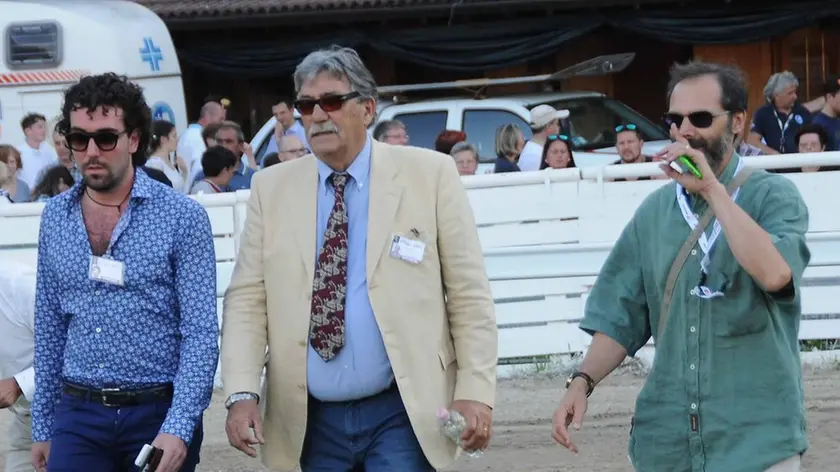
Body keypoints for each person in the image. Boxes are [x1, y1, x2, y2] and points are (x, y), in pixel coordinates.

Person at [221, 45, 498, 472]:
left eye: (332, 101)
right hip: (310, 420)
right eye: (307, 105)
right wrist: (241, 395)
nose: (317, 115)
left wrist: (475, 390)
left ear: (368, 109)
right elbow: (246, 301)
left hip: (403, 411)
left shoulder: (430, 176)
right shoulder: (270, 188)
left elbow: (468, 294)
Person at [552, 61, 810, 472]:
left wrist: (712, 189)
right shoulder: (654, 213)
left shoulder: (773, 197)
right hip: (668, 443)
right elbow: (621, 314)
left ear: (738, 122)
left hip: (757, 440)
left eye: (700, 118)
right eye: (675, 120)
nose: (684, 131)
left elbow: (776, 274)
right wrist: (581, 382)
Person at [29, 72, 219, 472]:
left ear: (133, 140)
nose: (91, 151)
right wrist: (43, 425)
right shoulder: (54, 218)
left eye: (106, 138)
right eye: (79, 138)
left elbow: (201, 333)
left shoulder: (182, 217)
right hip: (78, 416)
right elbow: (49, 326)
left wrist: (179, 426)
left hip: (156, 412)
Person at [0, 259, 37, 472]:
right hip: (25, 423)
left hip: (75, 415)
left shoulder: (22, 287)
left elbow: (81, 350)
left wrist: (18, 384)